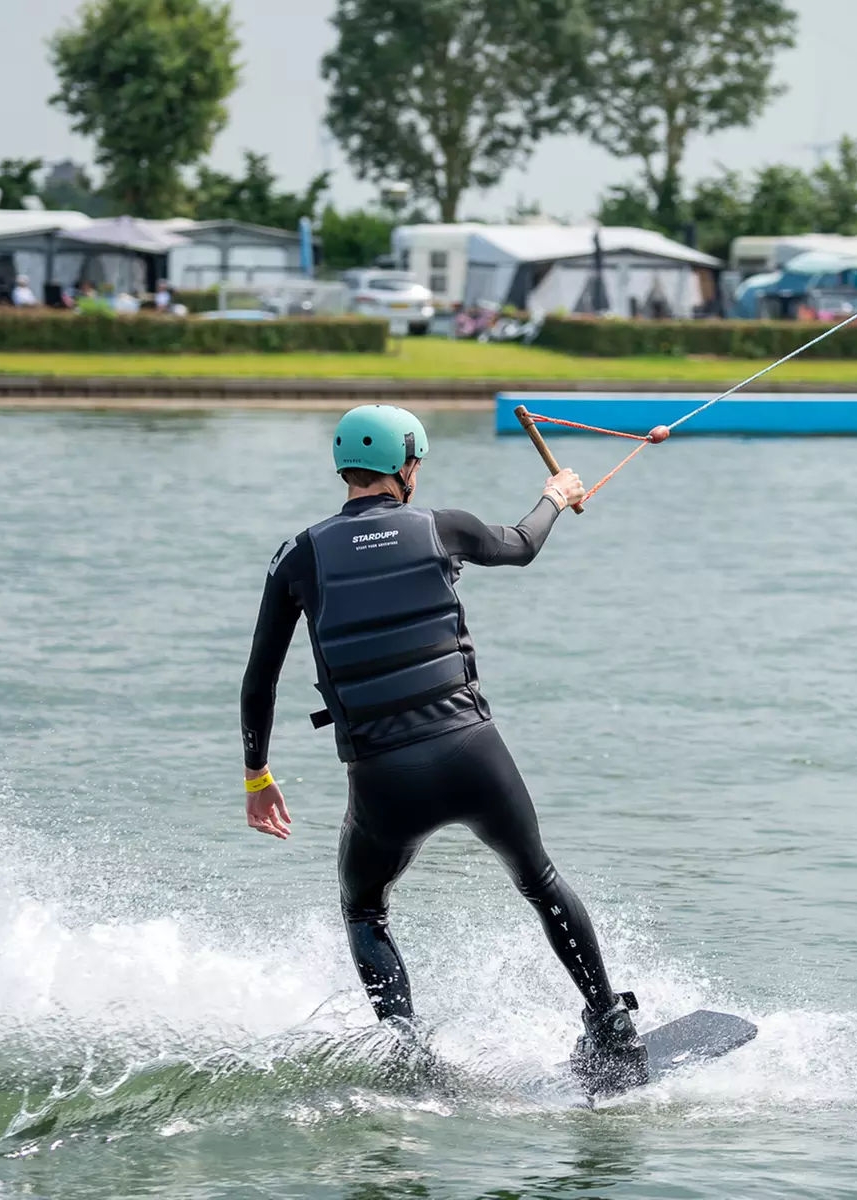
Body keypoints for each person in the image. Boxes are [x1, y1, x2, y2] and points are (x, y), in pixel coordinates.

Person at [238, 405, 649, 1094]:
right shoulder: (440, 527)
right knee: (539, 881)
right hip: (472, 755)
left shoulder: (296, 556)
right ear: (406, 464)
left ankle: (408, 1057)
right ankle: (609, 1024)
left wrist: (258, 778)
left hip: (382, 779)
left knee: (365, 909)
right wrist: (556, 497)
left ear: (344, 468)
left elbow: (259, 680)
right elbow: (520, 543)